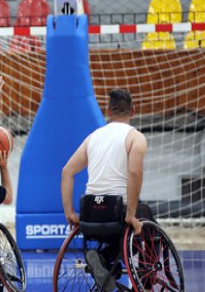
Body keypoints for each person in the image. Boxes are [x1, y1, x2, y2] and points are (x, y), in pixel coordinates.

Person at [61, 89, 149, 290]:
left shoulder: (93, 137)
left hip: (90, 212)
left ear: (108, 111)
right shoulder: (135, 137)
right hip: (116, 210)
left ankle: (103, 260)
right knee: (146, 216)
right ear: (133, 112)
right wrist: (132, 215)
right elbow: (135, 173)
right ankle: (146, 276)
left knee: (116, 233)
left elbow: (67, 172)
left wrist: (69, 213)